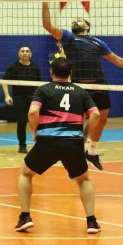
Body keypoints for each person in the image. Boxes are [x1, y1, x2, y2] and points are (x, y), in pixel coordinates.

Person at [38, 0, 123, 170]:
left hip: (99, 85)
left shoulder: (97, 42)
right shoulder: (69, 38)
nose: (76, 21)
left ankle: (92, 151)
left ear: (87, 27)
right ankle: (71, 150)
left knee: (101, 120)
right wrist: (45, 2)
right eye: (74, 20)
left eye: (80, 20)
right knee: (76, 122)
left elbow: (118, 60)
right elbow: (47, 25)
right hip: (78, 87)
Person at [15, 57, 101, 234]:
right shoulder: (81, 92)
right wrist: (84, 134)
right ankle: (91, 222)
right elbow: (96, 115)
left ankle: (25, 217)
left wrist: (35, 131)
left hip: (48, 141)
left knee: (26, 173)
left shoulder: (43, 89)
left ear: (51, 72)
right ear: (71, 73)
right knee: (83, 180)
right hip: (73, 142)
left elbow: (33, 111)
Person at [3, 45, 43, 153]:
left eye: (27, 51)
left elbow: (39, 84)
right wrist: (7, 95)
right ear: (18, 54)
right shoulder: (13, 67)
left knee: (37, 122)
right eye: (22, 51)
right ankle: (22, 146)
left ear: (31, 54)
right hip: (19, 98)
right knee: (21, 122)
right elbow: (4, 81)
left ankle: (40, 145)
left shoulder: (35, 67)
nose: (25, 53)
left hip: (33, 99)